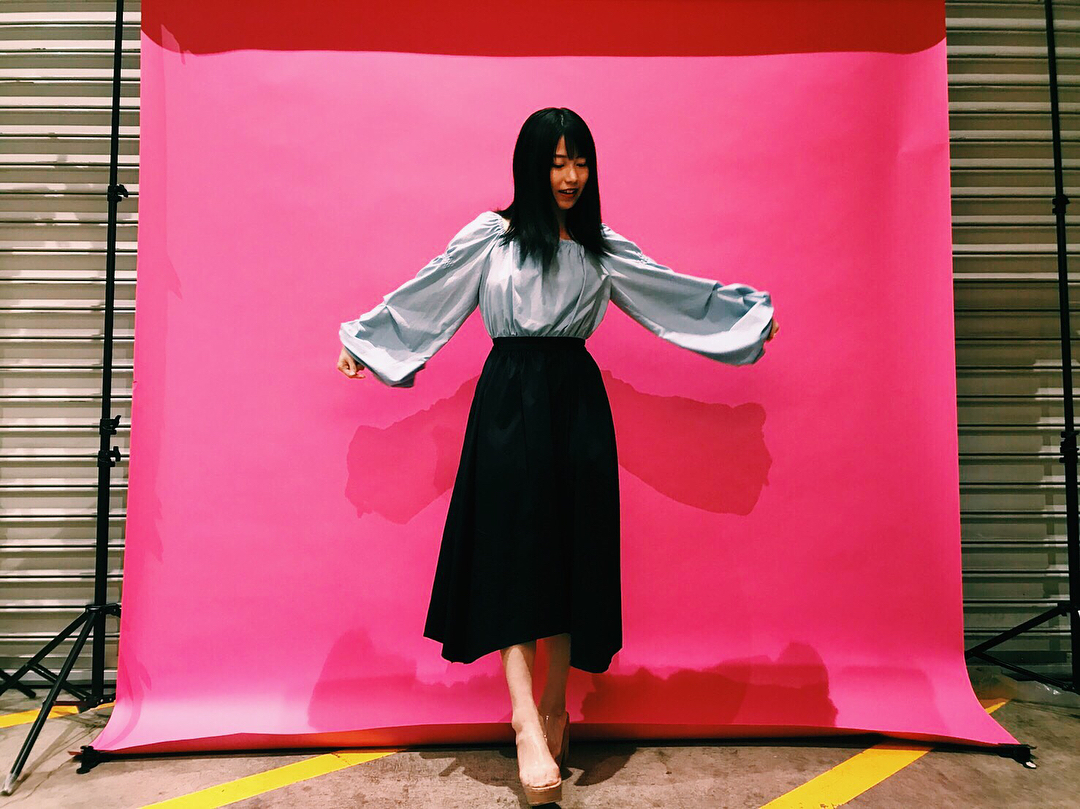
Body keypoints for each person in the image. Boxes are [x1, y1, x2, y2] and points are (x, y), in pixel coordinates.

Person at [336, 107, 779, 805]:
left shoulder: (601, 246)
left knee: (571, 549)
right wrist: (366, 342)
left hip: (576, 402)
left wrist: (745, 320)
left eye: (580, 162)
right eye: (556, 162)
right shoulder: (493, 237)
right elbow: (430, 291)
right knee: (513, 555)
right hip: (508, 401)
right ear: (530, 167)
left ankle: (553, 709)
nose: (570, 176)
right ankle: (523, 721)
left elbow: (672, 292)